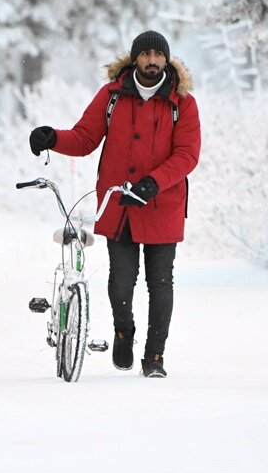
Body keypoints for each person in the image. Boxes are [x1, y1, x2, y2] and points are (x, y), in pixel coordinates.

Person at [29, 30, 200, 378]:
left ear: (167, 60)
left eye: (158, 55)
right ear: (134, 59)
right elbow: (85, 137)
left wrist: (154, 182)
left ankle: (154, 356)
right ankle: (124, 332)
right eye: (145, 54)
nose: (152, 61)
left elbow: (187, 155)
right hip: (119, 204)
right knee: (121, 281)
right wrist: (53, 138)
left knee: (160, 282)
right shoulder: (111, 96)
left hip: (162, 204)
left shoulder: (183, 103)